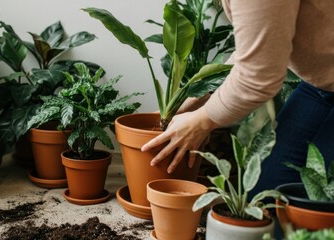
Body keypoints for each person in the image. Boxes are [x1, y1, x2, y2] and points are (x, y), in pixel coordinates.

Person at [141, 0, 334, 197]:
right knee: (269, 193)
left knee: (321, 198)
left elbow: (258, 78)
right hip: (319, 84)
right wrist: (200, 99)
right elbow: (258, 48)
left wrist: (203, 121)